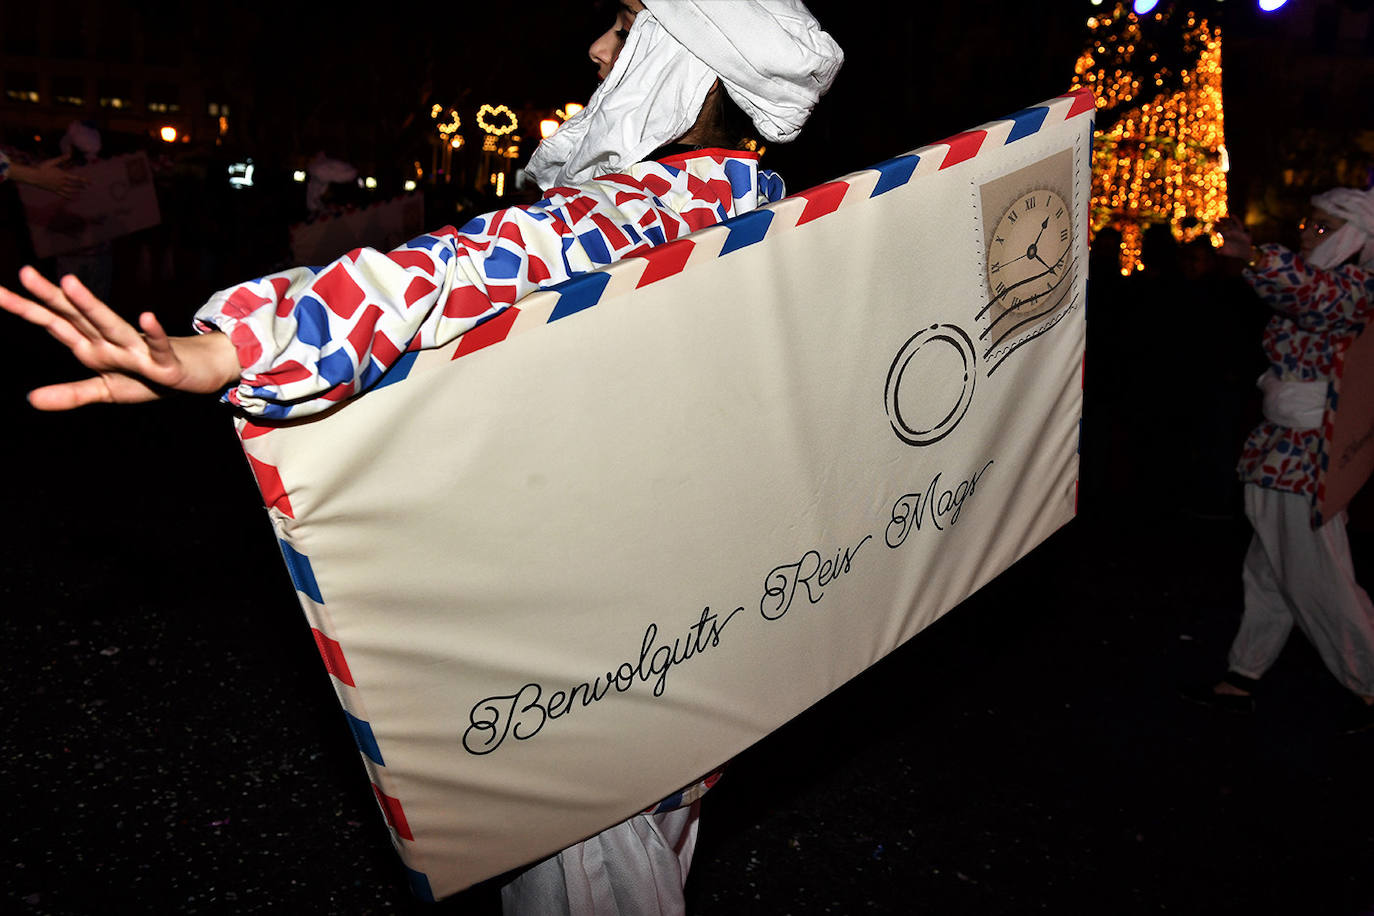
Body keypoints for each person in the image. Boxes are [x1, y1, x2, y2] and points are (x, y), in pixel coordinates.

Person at [0, 2, 843, 912]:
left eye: (628, 26)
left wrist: (243, 346)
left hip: (591, 655)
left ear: (693, 69)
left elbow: (464, 266)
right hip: (700, 629)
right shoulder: (770, 208)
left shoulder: (646, 206)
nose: (597, 49)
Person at [1185, 187, 1374, 735]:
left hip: (1308, 451)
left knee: (1318, 580)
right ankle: (1242, 678)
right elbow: (1300, 294)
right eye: (1308, 225)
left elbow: (1312, 296)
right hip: (1288, 444)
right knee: (1272, 570)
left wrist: (1255, 257)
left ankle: (1367, 681)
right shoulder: (1340, 282)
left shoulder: (1358, 287)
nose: (1307, 234)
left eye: (1321, 228)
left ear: (1352, 235)